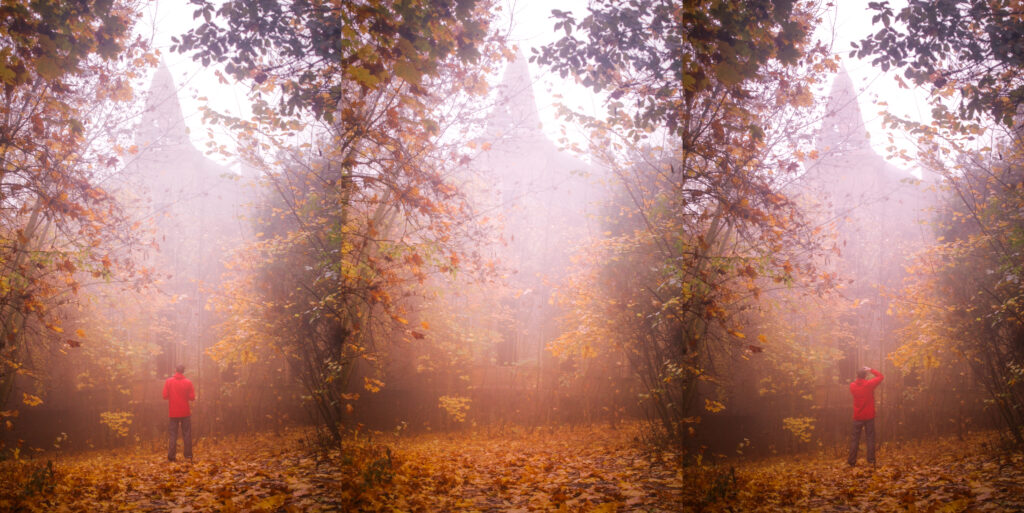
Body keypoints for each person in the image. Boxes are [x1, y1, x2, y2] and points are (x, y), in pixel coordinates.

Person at [847, 366, 883, 466]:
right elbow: (881, 376)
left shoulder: (852, 386)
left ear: (856, 376)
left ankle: (851, 461)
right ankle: (871, 461)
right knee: (870, 438)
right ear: (865, 375)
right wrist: (870, 370)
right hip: (869, 416)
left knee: (855, 440)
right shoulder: (869, 384)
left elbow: (857, 383)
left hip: (857, 416)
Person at [163, 364, 196, 461]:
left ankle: (171, 457)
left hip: (173, 412)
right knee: (187, 434)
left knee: (173, 434)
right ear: (184, 371)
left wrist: (173, 397)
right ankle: (188, 455)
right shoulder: (188, 382)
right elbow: (192, 398)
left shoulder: (169, 381)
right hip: (185, 412)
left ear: (175, 370)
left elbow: (165, 396)